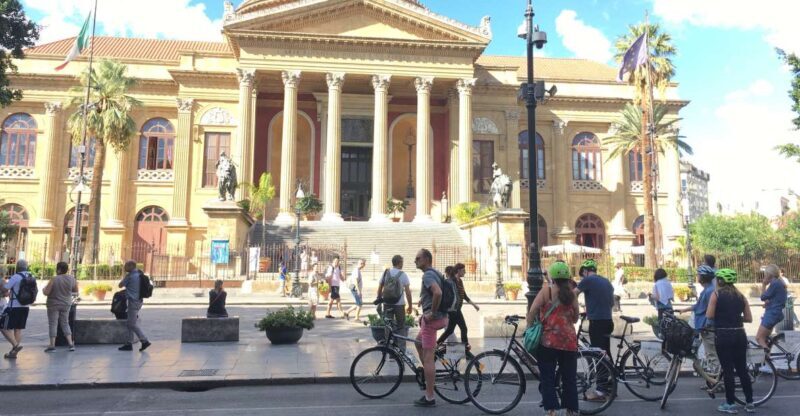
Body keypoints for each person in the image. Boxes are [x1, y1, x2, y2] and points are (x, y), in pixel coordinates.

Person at [528, 262, 580, 416]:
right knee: (569, 378)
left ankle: (551, 410)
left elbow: (532, 311)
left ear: (552, 276)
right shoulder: (572, 294)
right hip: (569, 342)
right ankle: (570, 410)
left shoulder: (547, 291)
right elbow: (576, 318)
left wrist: (529, 326)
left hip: (548, 342)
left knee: (547, 377)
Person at [707, 268, 754, 414]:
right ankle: (750, 402)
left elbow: (709, 315)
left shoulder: (716, 295)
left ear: (720, 281)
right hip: (740, 335)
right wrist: (735, 318)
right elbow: (748, 318)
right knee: (742, 370)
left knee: (728, 371)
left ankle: (730, 403)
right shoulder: (741, 296)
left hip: (723, 335)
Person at [574, 258, 614, 400]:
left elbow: (573, 294)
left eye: (582, 274)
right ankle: (611, 385)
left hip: (597, 323)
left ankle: (601, 391)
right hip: (608, 321)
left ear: (585, 271)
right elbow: (611, 302)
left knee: (599, 356)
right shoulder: (607, 282)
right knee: (606, 354)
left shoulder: (587, 280)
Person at [413, 248, 448, 407]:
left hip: (433, 320)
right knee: (418, 342)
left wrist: (432, 313)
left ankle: (429, 396)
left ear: (427, 259)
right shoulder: (436, 272)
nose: (415, 261)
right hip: (443, 316)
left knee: (428, 358)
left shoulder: (428, 275)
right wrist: (424, 300)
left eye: (418, 258)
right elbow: (434, 293)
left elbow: (438, 293)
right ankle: (429, 370)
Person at [676, 265, 719, 373]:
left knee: (712, 354)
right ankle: (712, 380)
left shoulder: (709, 292)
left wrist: (708, 325)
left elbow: (711, 310)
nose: (697, 277)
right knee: (709, 353)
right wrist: (685, 309)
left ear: (703, 278)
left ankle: (716, 382)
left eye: (698, 275)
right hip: (703, 326)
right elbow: (698, 305)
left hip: (707, 327)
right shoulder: (707, 290)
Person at [437, 263, 480, 349]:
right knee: (463, 328)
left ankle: (437, 344)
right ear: (458, 271)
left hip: (457, 310)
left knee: (450, 330)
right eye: (463, 270)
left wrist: (474, 305)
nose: (465, 272)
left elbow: (464, 295)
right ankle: (466, 348)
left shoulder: (460, 281)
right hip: (453, 310)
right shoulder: (451, 281)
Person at [42, 262, 79, 352]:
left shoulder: (54, 279)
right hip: (66, 304)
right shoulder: (71, 279)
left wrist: (43, 289)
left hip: (53, 304)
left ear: (58, 269)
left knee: (53, 323)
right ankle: (70, 344)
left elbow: (46, 292)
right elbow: (76, 291)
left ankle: (52, 345)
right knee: (65, 323)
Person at [377, 255, 413, 343]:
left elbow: (380, 287)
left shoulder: (386, 272)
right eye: (402, 262)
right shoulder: (403, 275)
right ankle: (400, 349)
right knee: (401, 327)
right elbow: (408, 292)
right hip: (399, 305)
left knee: (388, 326)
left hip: (387, 303)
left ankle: (389, 348)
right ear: (399, 263)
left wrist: (379, 300)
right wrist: (410, 306)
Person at [2, 260, 33, 359]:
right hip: (26, 306)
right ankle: (13, 353)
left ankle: (16, 346)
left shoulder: (15, 277)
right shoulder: (31, 276)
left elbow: (6, 288)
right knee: (18, 329)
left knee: (3, 326)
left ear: (17, 267)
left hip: (14, 306)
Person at [118, 260, 151, 352]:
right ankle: (128, 343)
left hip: (133, 301)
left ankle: (144, 340)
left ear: (131, 266)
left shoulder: (130, 276)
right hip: (139, 301)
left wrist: (124, 276)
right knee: (129, 323)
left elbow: (120, 285)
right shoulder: (140, 274)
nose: (124, 268)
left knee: (131, 324)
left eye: (126, 266)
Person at [757, 264, 787, 349]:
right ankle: (767, 357)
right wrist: (768, 303)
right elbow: (776, 298)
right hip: (776, 313)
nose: (764, 276)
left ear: (769, 275)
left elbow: (763, 297)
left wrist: (763, 284)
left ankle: (766, 356)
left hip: (772, 314)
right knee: (765, 338)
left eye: (765, 274)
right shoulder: (779, 282)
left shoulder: (774, 284)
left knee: (759, 338)